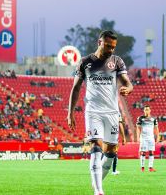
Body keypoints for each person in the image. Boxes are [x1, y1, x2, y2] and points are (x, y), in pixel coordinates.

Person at [67, 30, 133, 195]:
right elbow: (76, 88)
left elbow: (126, 81)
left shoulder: (117, 61)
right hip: (93, 111)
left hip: (111, 112)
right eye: (108, 46)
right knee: (96, 147)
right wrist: (70, 113)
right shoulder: (85, 62)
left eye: (113, 47)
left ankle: (96, 181)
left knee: (110, 153)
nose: (111, 50)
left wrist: (130, 87)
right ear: (99, 42)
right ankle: (98, 190)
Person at [137, 105, 159, 172]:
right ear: (144, 111)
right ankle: (142, 167)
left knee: (151, 151)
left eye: (148, 109)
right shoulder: (140, 118)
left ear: (150, 110)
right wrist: (138, 137)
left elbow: (156, 128)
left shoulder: (154, 119)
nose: (146, 111)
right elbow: (138, 128)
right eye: (145, 109)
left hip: (151, 137)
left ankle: (150, 167)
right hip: (143, 137)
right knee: (143, 152)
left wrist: (157, 137)